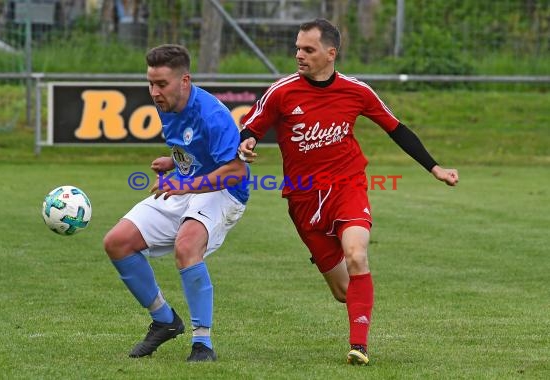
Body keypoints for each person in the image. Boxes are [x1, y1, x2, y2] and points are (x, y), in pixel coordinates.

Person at [238, 18, 458, 365]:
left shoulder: (357, 91)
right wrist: (246, 141)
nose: (299, 55)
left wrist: (435, 168)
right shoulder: (282, 92)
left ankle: (359, 346)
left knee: (357, 255)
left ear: (330, 53)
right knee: (343, 291)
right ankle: (334, 266)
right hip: (303, 197)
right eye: (297, 48)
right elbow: (250, 126)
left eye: (308, 49)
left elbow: (396, 129)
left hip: (347, 185)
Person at [103, 44, 249, 362]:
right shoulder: (167, 104)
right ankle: (164, 321)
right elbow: (193, 145)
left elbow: (237, 169)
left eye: (162, 84)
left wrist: (185, 185)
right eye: (151, 84)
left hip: (224, 192)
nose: (154, 92)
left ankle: (203, 344)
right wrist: (173, 163)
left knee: (187, 247)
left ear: (185, 80)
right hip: (188, 186)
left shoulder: (213, 114)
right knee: (117, 242)